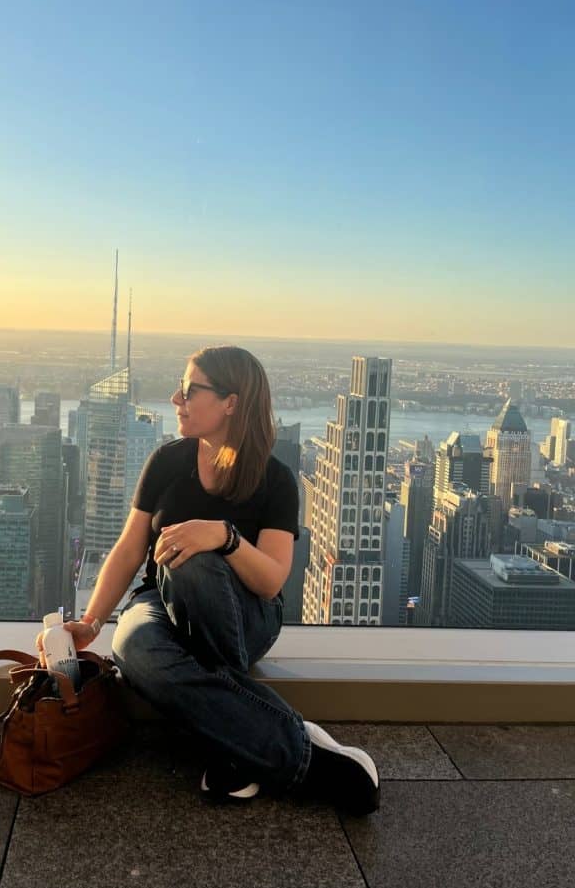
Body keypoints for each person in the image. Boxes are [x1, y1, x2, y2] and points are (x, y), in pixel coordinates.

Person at [36, 345, 380, 814]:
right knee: (132, 647)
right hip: (160, 602)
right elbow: (130, 547)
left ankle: (260, 745)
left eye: (189, 390)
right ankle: (295, 746)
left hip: (246, 615)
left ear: (230, 402)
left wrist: (224, 537)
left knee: (192, 560)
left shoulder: (275, 480)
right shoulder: (167, 461)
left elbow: (272, 582)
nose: (176, 400)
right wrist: (93, 621)